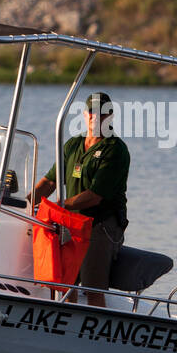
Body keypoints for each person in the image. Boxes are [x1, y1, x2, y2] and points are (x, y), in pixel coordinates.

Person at [32, 92, 128, 306]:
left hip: (100, 224)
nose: (96, 117)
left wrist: (58, 206)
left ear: (110, 116)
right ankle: (66, 321)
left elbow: (94, 197)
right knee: (64, 283)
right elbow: (49, 182)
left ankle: (97, 331)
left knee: (92, 288)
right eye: (92, 112)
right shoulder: (72, 145)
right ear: (85, 115)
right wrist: (26, 202)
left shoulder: (115, 150)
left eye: (102, 113)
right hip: (69, 222)